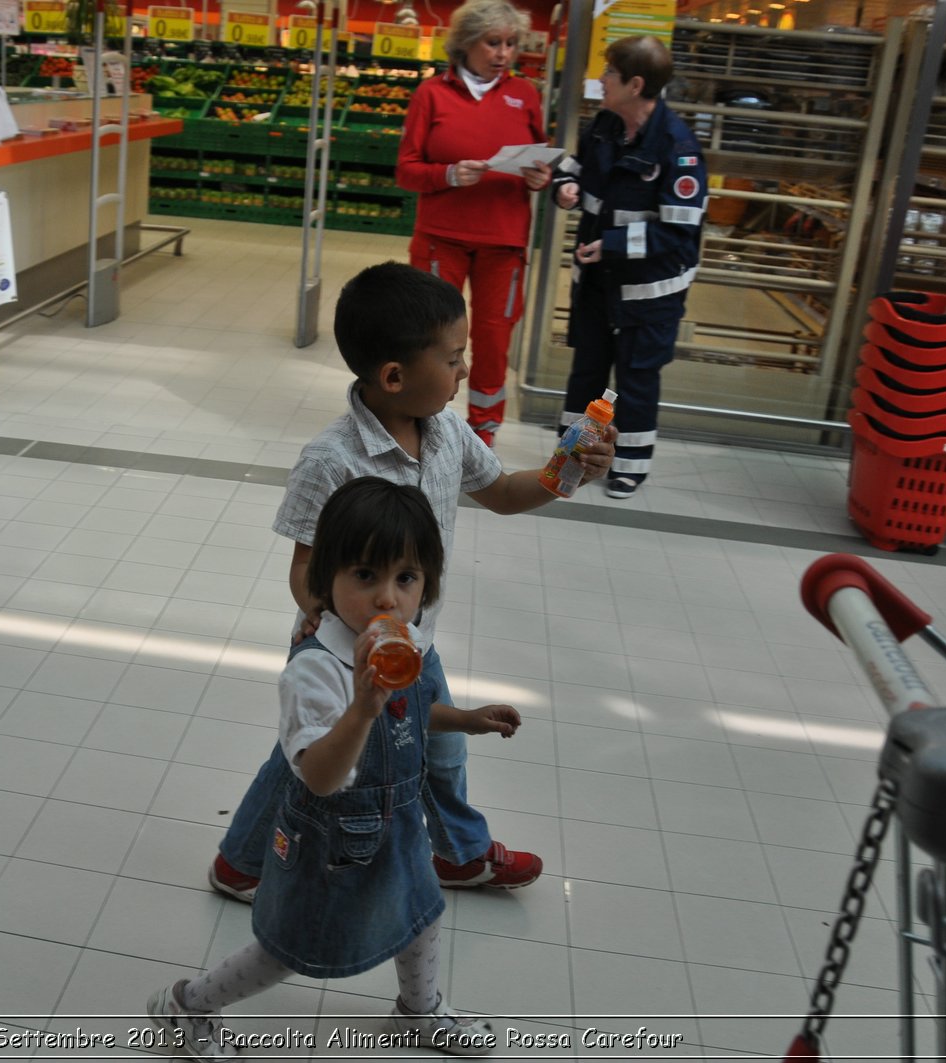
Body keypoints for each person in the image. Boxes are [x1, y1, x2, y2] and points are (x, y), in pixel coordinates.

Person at [207, 262, 615, 905]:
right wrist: (339, 626)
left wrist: (567, 474)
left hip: (416, 638)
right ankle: (242, 863)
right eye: (454, 360)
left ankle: (459, 853)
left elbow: (504, 493)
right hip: (345, 647)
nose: (464, 373)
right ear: (394, 376)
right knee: (309, 759)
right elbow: (303, 566)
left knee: (440, 748)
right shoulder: (331, 459)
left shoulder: (447, 430)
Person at [151, 477, 521, 1060]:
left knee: (422, 912)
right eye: (365, 576)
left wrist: (465, 719)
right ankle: (187, 1006)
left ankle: (417, 1013)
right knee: (289, 948)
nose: (387, 600)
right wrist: (362, 706)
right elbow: (320, 776)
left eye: (406, 579)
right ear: (327, 580)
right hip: (328, 841)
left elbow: (416, 712)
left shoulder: (409, 644)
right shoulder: (316, 670)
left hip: (395, 824)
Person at [549, 35, 706, 499]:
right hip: (600, 281)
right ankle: (571, 458)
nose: (601, 80)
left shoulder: (679, 149)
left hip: (650, 293)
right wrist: (564, 187)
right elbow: (574, 168)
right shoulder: (604, 125)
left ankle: (630, 466)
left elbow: (678, 232)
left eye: (609, 74)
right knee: (586, 373)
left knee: (636, 381)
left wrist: (611, 245)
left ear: (635, 85)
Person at [396, 0, 552, 448]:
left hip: (504, 241)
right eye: (493, 42)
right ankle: (422, 418)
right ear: (466, 43)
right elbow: (406, 170)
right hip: (441, 239)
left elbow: (539, 157)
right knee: (431, 336)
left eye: (511, 43)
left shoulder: (526, 93)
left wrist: (541, 176)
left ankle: (484, 431)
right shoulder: (432, 94)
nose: (503, 52)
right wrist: (447, 174)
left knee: (493, 339)